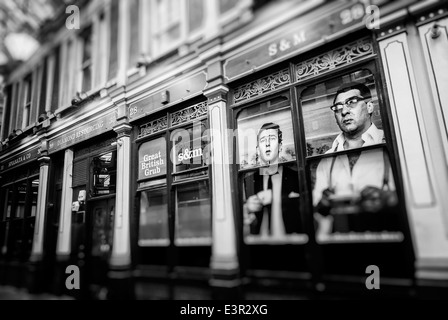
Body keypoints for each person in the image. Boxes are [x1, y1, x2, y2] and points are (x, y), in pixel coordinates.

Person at [313, 82, 398, 235]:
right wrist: (322, 205)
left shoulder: (392, 143)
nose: (344, 111)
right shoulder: (327, 159)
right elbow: (316, 215)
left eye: (351, 103)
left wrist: (389, 199)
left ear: (370, 107)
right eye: (338, 108)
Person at [243, 122, 302, 238]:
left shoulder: (296, 176)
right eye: (263, 140)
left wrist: (277, 197)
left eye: (272, 139)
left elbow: (307, 208)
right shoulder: (247, 182)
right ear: (258, 149)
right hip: (257, 247)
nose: (268, 144)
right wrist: (247, 208)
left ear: (280, 146)